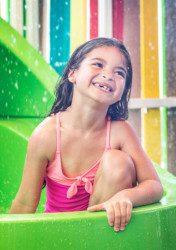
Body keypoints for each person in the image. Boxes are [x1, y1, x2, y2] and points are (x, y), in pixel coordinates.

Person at [10, 37, 163, 232]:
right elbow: (24, 203)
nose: (108, 75)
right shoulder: (47, 135)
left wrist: (125, 197)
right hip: (59, 236)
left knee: (117, 161)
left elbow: (154, 185)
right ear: (73, 74)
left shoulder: (120, 132)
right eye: (98, 64)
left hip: (102, 234)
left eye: (119, 72)